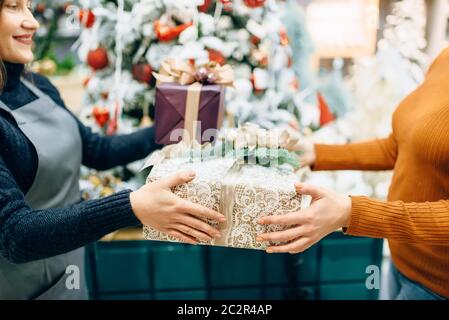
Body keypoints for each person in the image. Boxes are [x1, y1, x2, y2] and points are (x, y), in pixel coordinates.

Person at [0, 0, 225, 300]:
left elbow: (96, 150)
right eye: (13, 7)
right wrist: (130, 207)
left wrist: (181, 121)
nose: (33, 22)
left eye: (29, 6)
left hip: (69, 278)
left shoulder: (36, 85)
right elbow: (14, 234)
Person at [257, 46, 449, 300]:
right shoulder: (445, 59)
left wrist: (352, 212)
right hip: (403, 262)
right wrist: (316, 153)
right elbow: (402, 146)